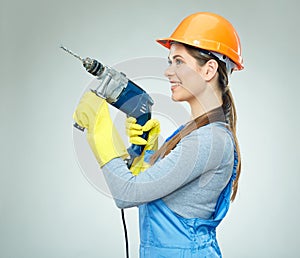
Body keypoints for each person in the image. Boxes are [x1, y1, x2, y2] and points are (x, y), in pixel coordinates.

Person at [73, 12, 243, 258]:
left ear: (209, 70)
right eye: (169, 61)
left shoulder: (210, 140)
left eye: (178, 62)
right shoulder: (191, 133)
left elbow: (127, 193)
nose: (168, 71)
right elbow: (149, 185)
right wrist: (146, 154)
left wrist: (101, 132)